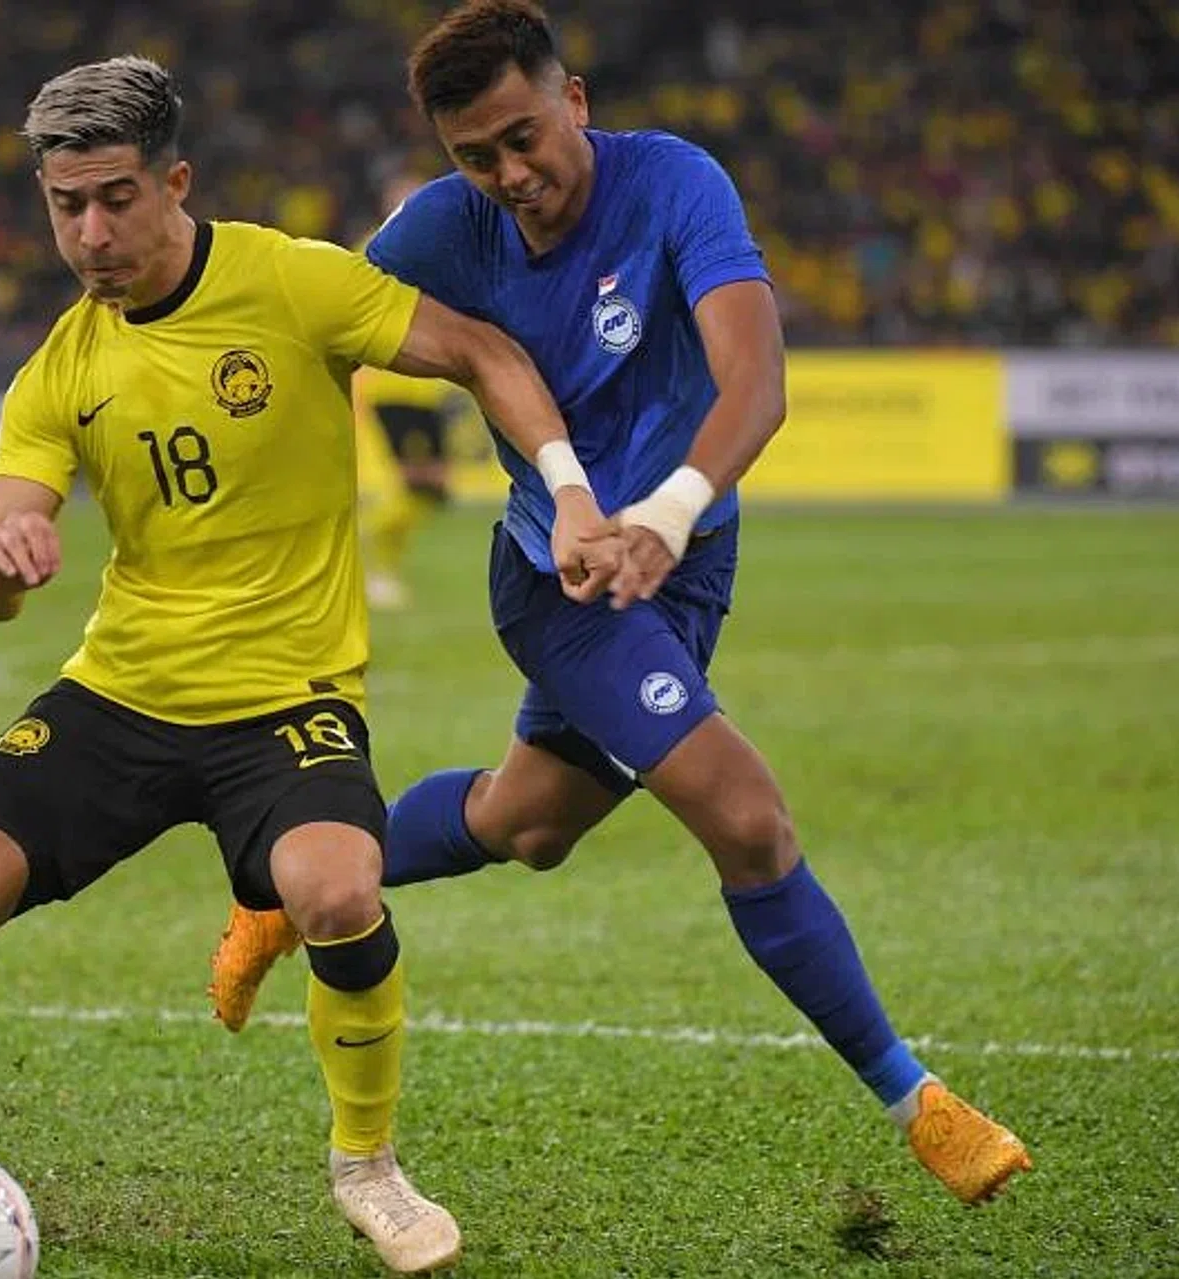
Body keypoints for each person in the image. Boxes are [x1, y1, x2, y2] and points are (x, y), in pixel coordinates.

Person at [0, 54, 617, 1279]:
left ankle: (370, 1171)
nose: (92, 232)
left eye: (117, 197)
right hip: (123, 691)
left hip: (288, 698)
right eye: (67, 205)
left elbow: (485, 353)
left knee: (336, 888)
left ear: (176, 182)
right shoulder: (63, 366)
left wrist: (572, 492)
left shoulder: (293, 282)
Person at [207, 0, 1032, 1209]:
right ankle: (923, 1105)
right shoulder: (440, 232)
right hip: (562, 587)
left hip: (683, 560)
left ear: (575, 100)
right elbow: (312, 331)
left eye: (524, 137)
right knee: (748, 821)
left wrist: (674, 507)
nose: (510, 174)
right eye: (474, 156)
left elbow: (757, 379)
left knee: (522, 823)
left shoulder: (675, 186)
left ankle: (284, 886)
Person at [352, 172, 483, 611]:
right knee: (407, 483)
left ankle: (377, 552)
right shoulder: (372, 248)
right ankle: (377, 570)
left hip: (428, 389)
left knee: (434, 488)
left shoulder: (441, 251)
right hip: (389, 384)